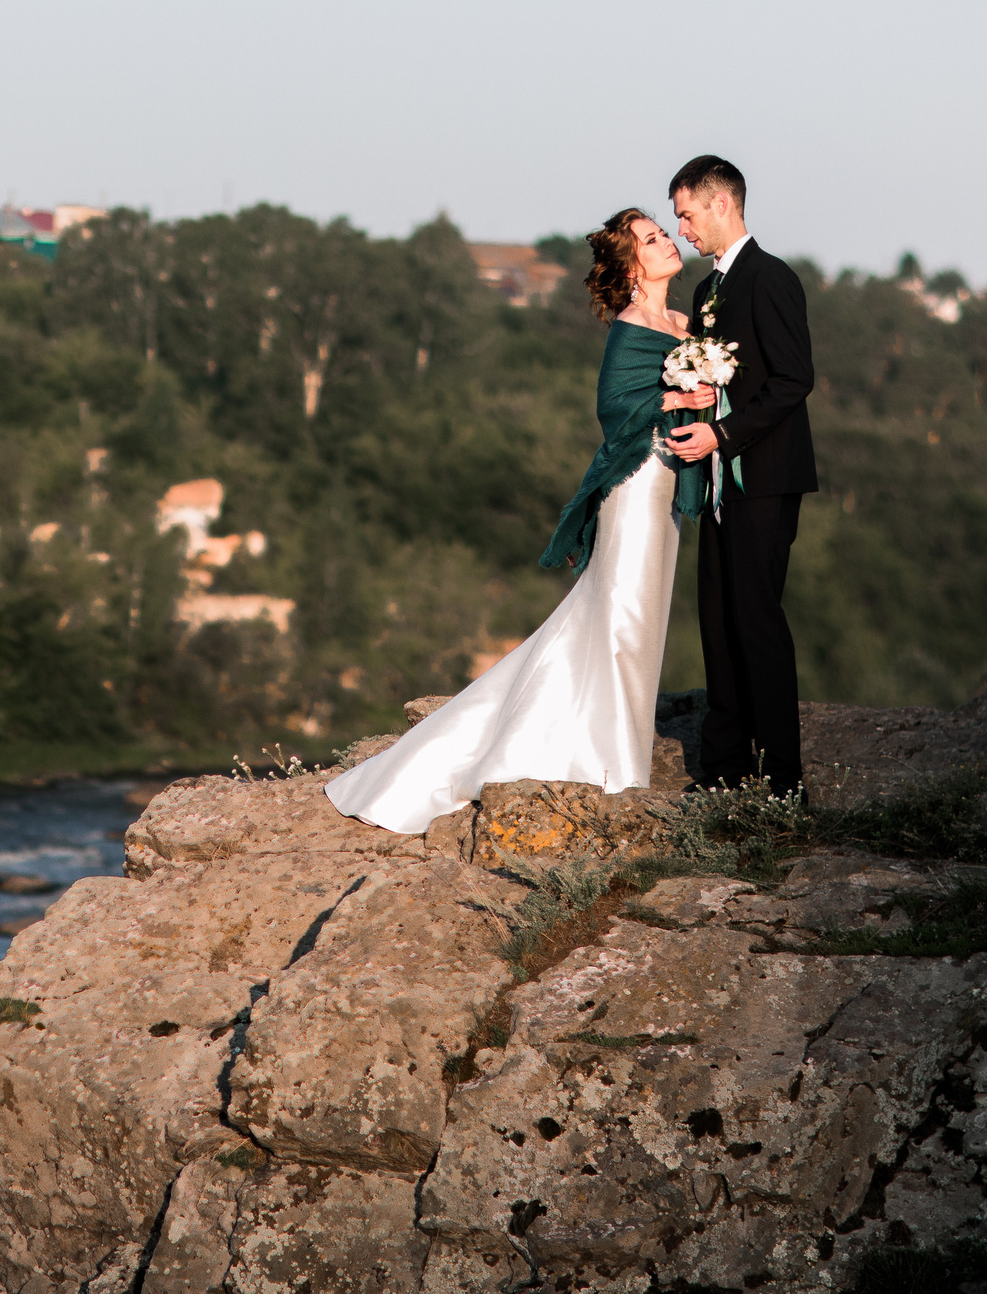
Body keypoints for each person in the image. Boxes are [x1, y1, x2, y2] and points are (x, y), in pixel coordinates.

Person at [323, 208, 715, 835]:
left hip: (669, 480)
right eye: (651, 238)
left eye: (664, 233)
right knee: (621, 616)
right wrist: (675, 397)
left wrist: (704, 397)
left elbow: (694, 396)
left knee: (644, 620)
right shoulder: (632, 325)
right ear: (630, 266)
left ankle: (614, 751)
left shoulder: (684, 325)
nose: (666, 242)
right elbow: (615, 408)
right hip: (636, 482)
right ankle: (617, 770)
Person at [665, 156, 817, 798]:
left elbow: (794, 380)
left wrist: (722, 435)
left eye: (686, 215)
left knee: (757, 619)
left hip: (766, 476)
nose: (682, 230)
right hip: (718, 481)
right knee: (718, 615)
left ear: (721, 204)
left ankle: (784, 778)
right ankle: (724, 765)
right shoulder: (706, 291)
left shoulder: (771, 277)